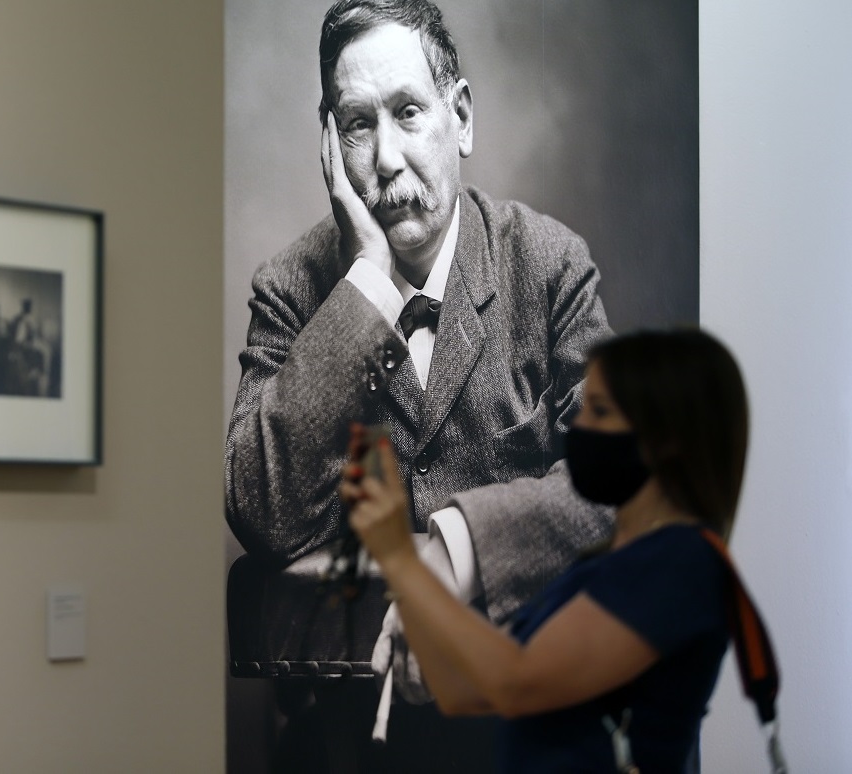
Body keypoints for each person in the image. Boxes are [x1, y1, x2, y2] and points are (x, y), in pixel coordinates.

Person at [224, 0, 613, 764]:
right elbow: (260, 512)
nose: (386, 158)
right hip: (355, 737)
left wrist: (460, 548)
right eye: (357, 124)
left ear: (458, 117)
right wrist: (367, 286)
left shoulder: (549, 265)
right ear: (329, 143)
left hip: (530, 726)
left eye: (407, 112)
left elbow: (615, 482)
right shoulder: (289, 288)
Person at [343, 328, 749, 771]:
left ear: (666, 442)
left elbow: (520, 679)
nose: (579, 429)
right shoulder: (621, 561)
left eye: (599, 411)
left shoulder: (678, 564)